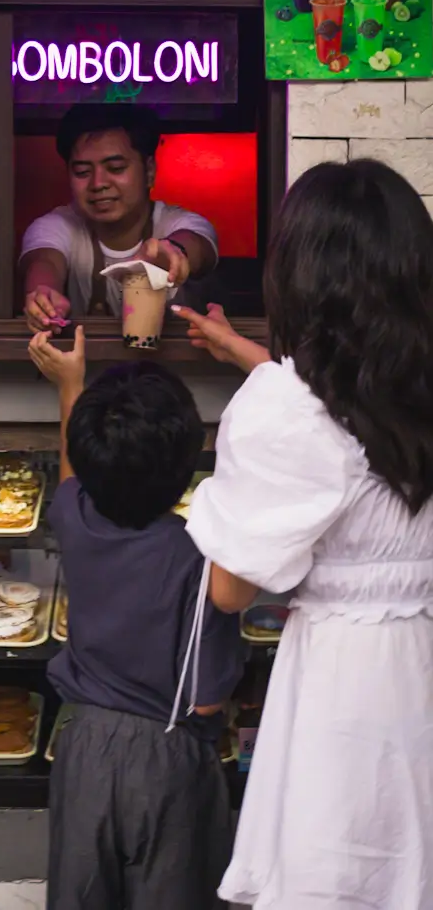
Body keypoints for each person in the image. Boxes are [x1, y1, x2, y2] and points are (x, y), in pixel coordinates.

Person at [172, 158, 433, 910]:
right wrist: (248, 359)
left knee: (345, 866)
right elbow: (357, 423)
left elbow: (229, 588)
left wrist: (232, 467)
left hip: (345, 685)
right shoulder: (408, 387)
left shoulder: (284, 408)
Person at [29, 326, 245, 910]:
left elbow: (74, 476)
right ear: (184, 466)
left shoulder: (74, 519)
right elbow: (205, 703)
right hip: (168, 759)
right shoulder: (200, 558)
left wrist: (70, 383)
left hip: (82, 748)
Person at [21, 105, 218, 333]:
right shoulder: (56, 225)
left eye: (115, 168)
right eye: (83, 172)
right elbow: (44, 263)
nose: (98, 184)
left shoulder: (180, 223)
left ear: (149, 170)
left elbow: (196, 245)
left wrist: (173, 254)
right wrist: (42, 296)